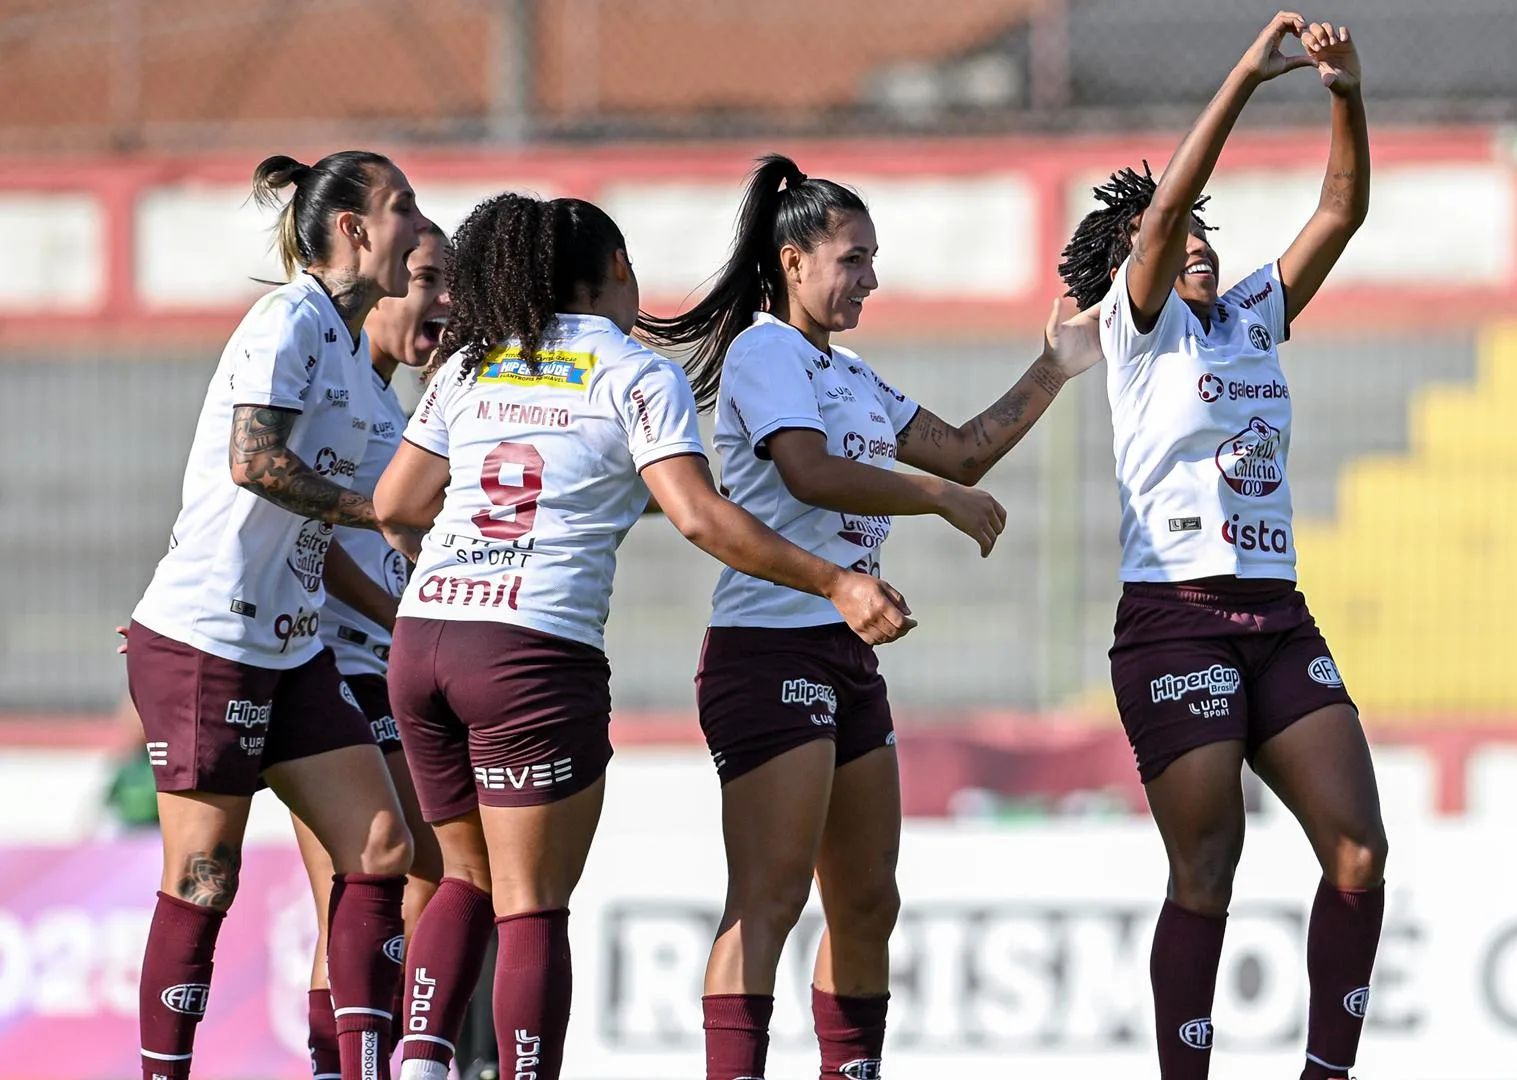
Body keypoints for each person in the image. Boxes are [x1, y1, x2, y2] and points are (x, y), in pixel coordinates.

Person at [373, 193, 913, 1080]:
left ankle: (421, 1058)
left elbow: (397, 505)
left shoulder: (473, 361)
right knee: (533, 904)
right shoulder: (632, 372)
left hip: (427, 635)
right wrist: (835, 579)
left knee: (464, 877)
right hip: (530, 648)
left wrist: (456, 564)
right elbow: (701, 518)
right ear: (618, 270)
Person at [635, 153, 1102, 1080]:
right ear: (794, 261)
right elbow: (807, 470)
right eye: (854, 258)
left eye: (873, 259)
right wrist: (931, 497)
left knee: (866, 903)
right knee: (766, 899)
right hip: (768, 651)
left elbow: (965, 453)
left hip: (845, 658)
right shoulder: (766, 349)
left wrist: (1053, 369)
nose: (871, 278)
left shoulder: (847, 370)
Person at [1056, 14, 1381, 1080]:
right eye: (1178, 231)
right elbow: (1151, 230)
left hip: (1278, 617)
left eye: (1206, 229)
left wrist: (1342, 91)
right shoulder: (1136, 329)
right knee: (1208, 868)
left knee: (1359, 852)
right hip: (1175, 621)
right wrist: (1248, 72)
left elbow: (1340, 210)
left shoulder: (1248, 314)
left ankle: (1326, 1072)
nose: (1195, 241)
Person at [123, 150, 432, 1080]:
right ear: (354, 229)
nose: (417, 226)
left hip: (290, 648)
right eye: (403, 208)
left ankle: (356, 1067)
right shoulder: (287, 319)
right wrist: (376, 510)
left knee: (381, 847)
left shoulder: (345, 342)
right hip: (211, 639)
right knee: (203, 880)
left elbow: (315, 519)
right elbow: (253, 463)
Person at [297, 223, 452, 1080]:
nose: (442, 301)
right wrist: (400, 614)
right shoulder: (337, 382)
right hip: (325, 663)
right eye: (425, 279)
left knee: (408, 873)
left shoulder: (394, 404)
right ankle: (352, 1062)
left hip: (384, 660)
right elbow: (294, 518)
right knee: (371, 876)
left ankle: (373, 1054)